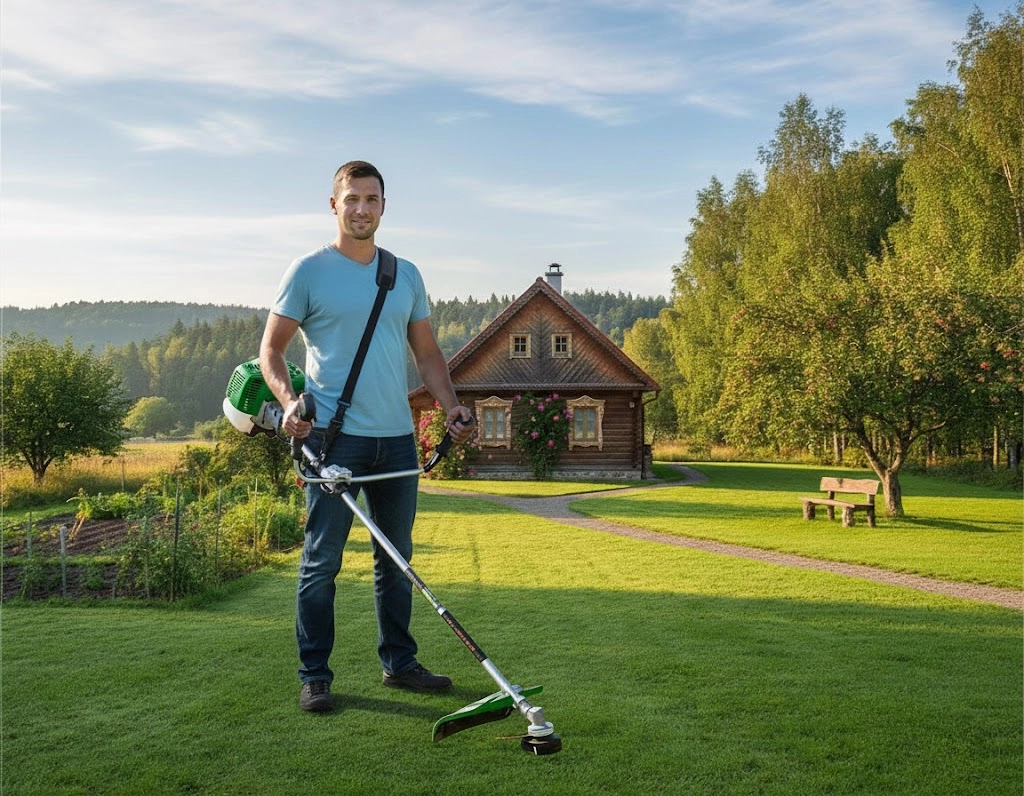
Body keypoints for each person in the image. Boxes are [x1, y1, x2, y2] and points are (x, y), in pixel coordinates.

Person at [259, 160, 475, 712]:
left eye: (371, 199)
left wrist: (451, 405)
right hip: (333, 440)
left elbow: (427, 354)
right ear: (334, 205)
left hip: (396, 439)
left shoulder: (405, 274)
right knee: (321, 563)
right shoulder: (308, 271)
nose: (361, 209)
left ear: (384, 206)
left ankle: (399, 664)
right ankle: (315, 676)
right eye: (351, 199)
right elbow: (271, 351)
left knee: (397, 561)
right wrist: (290, 403)